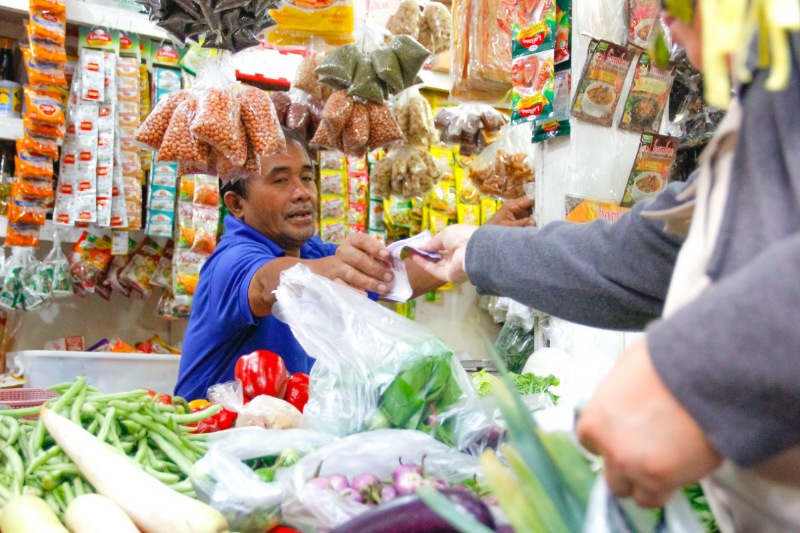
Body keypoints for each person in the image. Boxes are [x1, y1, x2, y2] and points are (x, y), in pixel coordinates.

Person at [411, 6, 800, 531]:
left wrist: (690, 371)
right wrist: (479, 251)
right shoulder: (767, 105)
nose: (665, 29)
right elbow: (652, 254)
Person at [175, 127, 534, 401]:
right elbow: (266, 284)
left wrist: (479, 243)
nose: (302, 192)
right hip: (209, 452)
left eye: (306, 177)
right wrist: (337, 270)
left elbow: (394, 277)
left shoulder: (312, 253)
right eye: (281, 180)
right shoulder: (230, 260)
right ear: (237, 205)